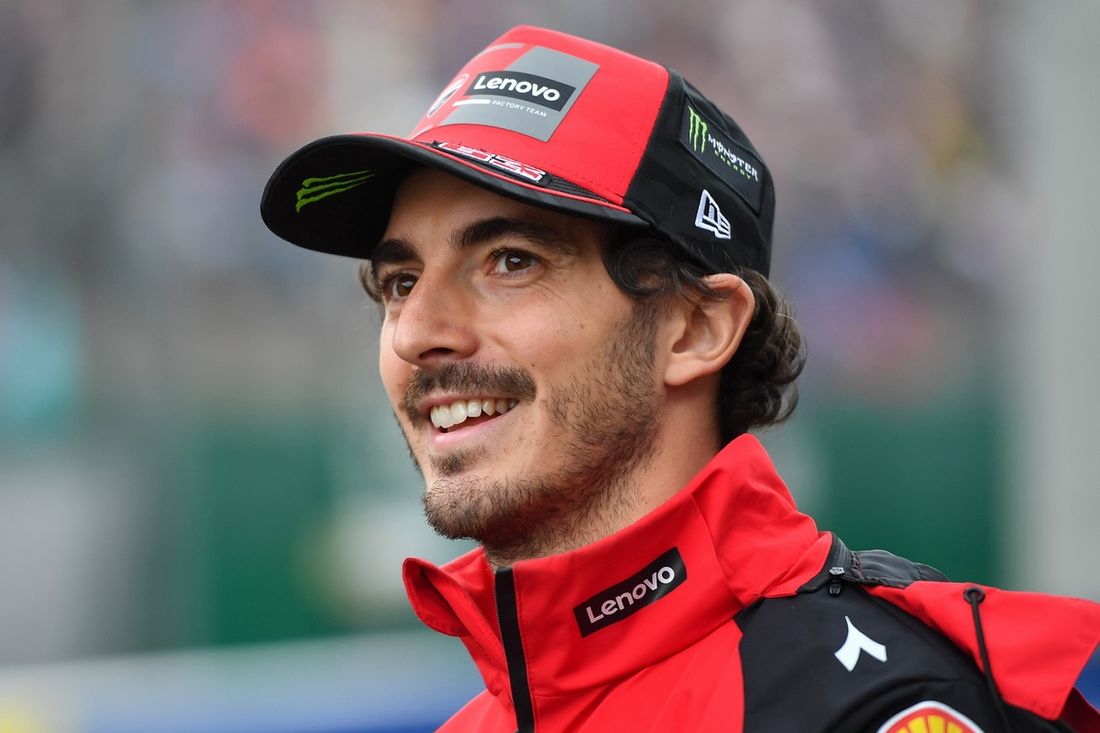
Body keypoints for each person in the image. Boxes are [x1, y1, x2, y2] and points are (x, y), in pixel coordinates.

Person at [261, 25, 1100, 733]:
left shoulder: (874, 705)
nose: (416, 333)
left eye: (510, 261)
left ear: (697, 328)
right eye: (400, 282)